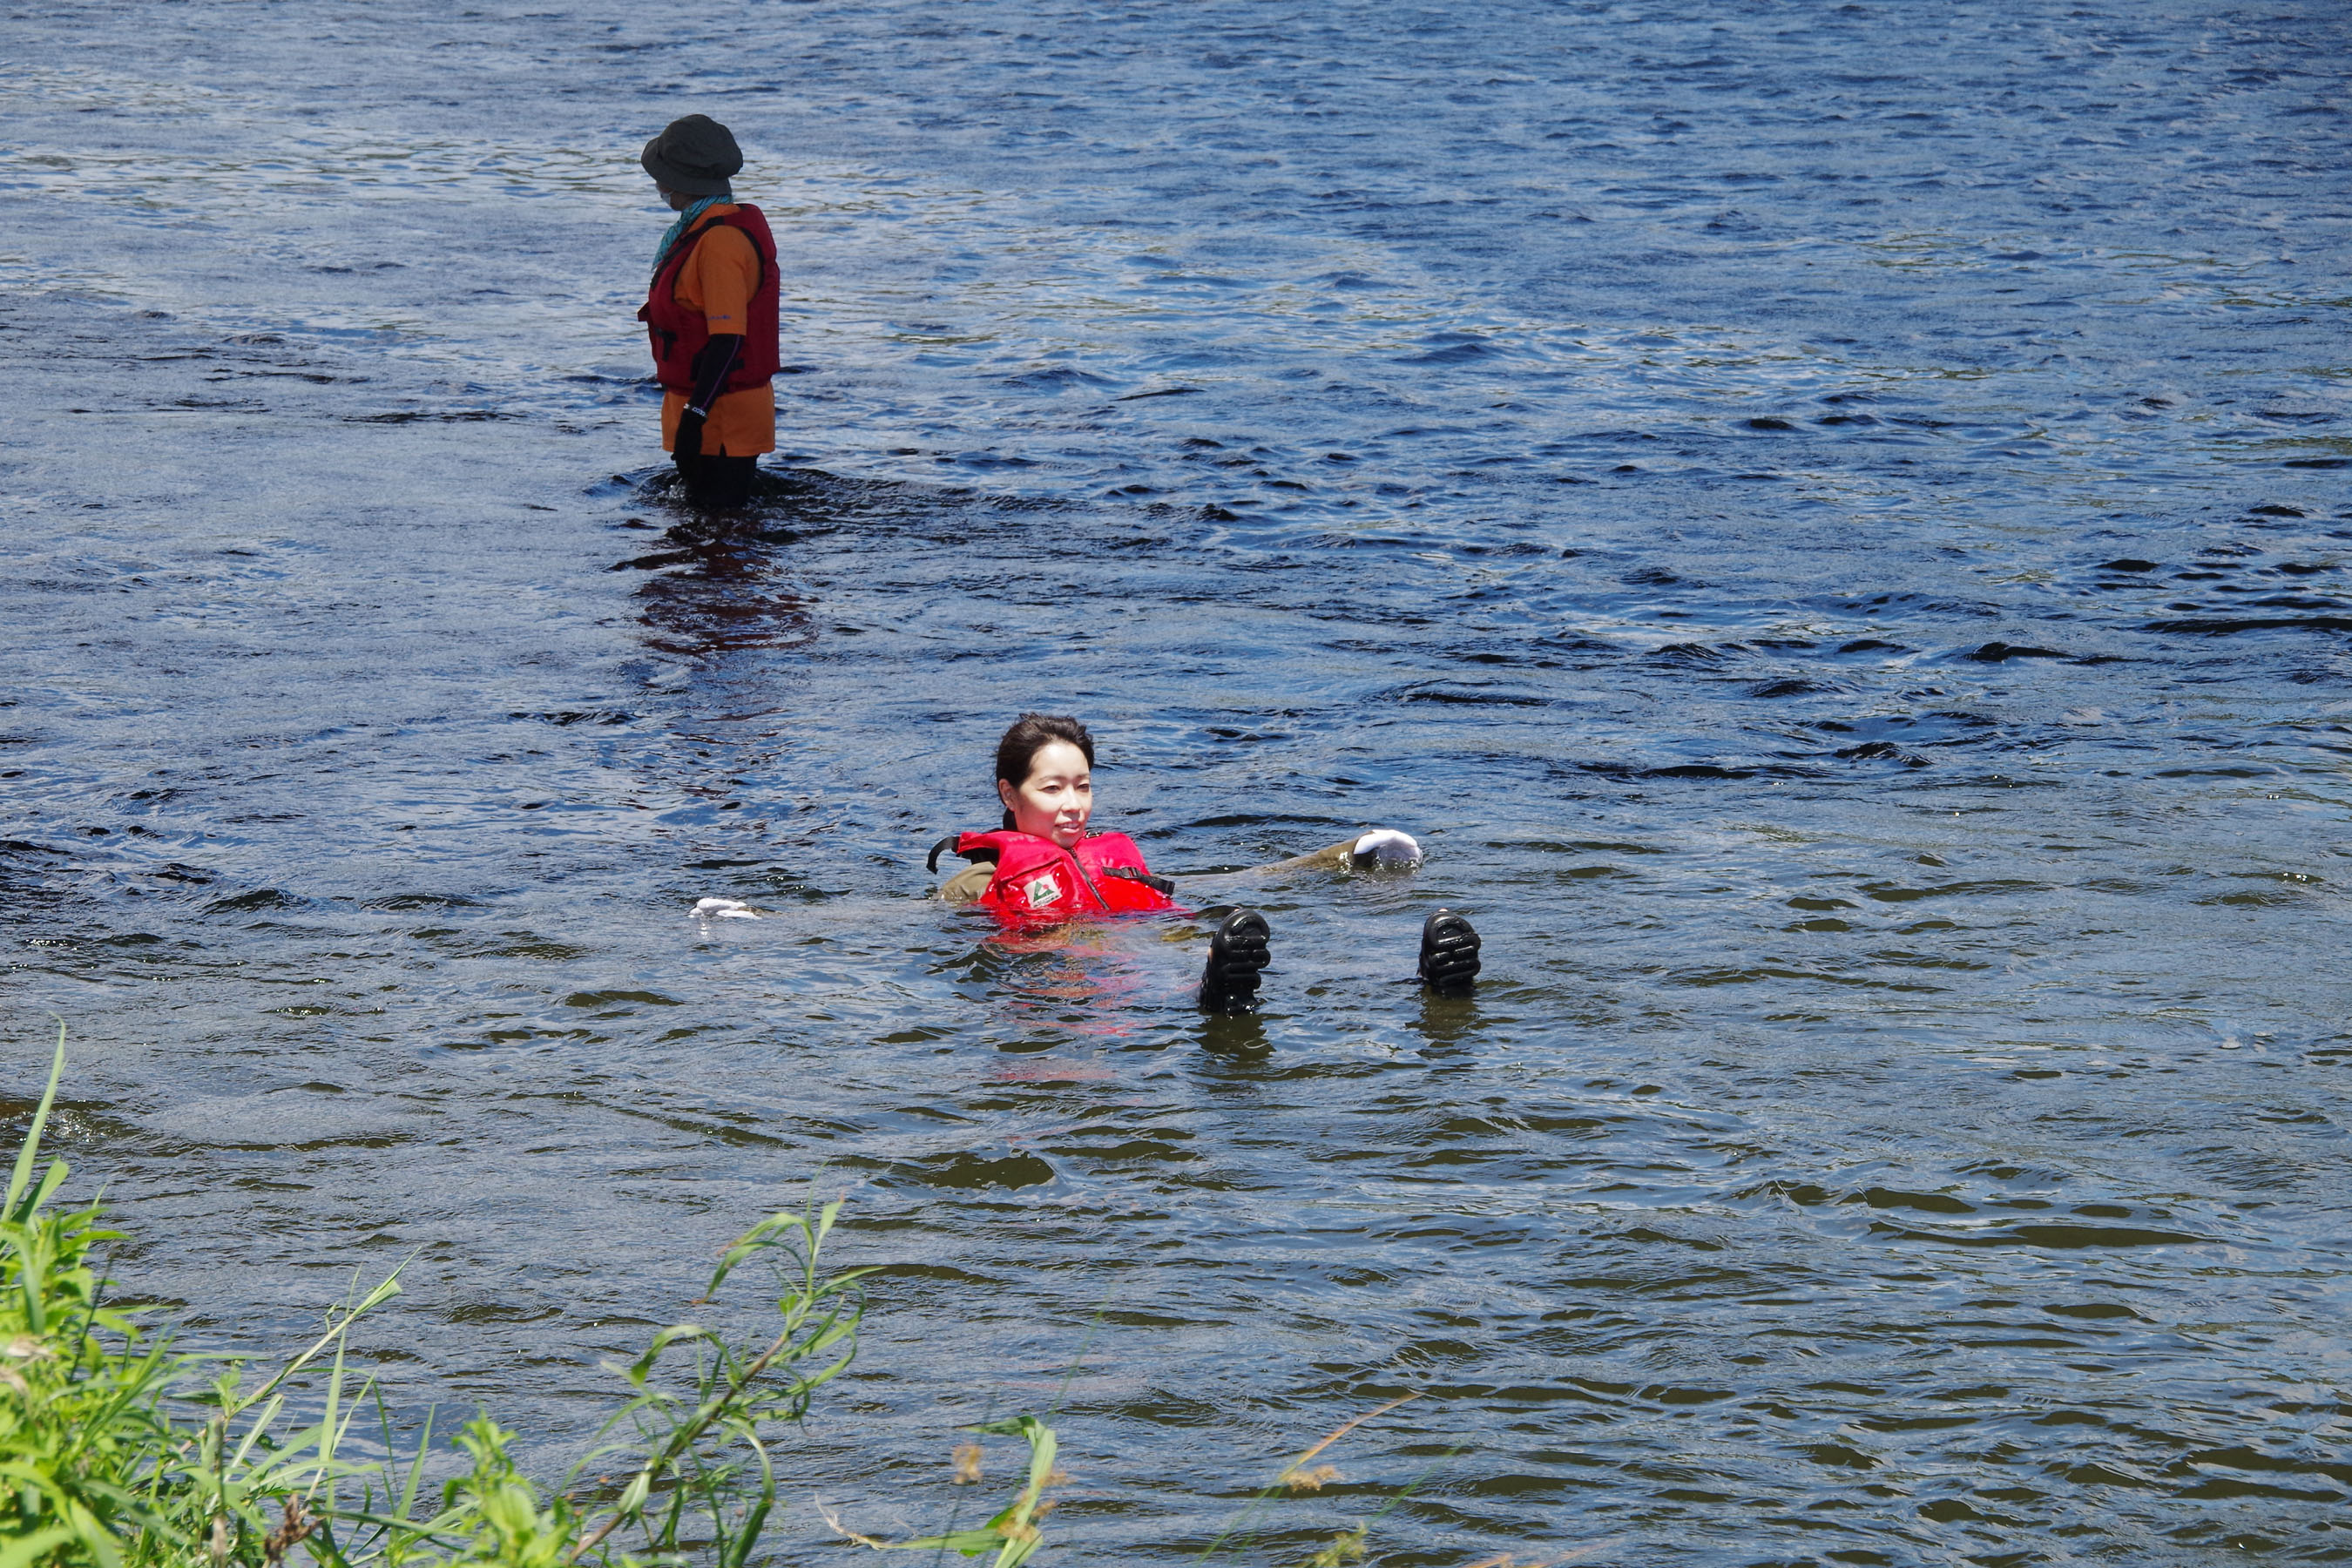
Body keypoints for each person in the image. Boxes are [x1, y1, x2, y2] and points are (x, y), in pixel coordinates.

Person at [931, 714, 1483, 1013]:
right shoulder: (979, 880)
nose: (1073, 804)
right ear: (1009, 793)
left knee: (1272, 965)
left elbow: (1237, 880)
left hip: (1161, 944)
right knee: (1199, 971)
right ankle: (1209, 995)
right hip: (1093, 975)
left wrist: (1337, 858)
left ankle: (1423, 982)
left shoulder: (1115, 863)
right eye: (1052, 789)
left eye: (1083, 786)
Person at [639, 114, 780, 510]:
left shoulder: (719, 242)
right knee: (705, 542)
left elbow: (729, 339)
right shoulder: (703, 226)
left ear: (677, 182)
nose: (658, 186)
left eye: (660, 176)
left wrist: (695, 418)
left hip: (722, 421)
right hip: (709, 413)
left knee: (720, 543)